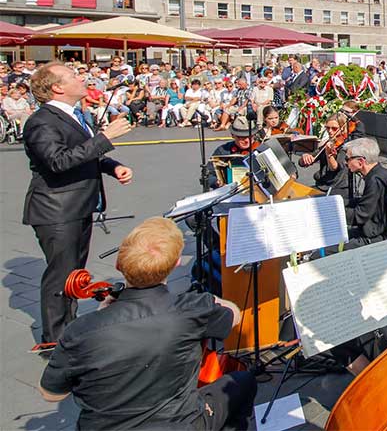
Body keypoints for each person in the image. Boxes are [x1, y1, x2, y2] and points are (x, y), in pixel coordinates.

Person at [39, 217, 256, 429]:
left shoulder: (79, 330)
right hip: (178, 424)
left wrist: (102, 312)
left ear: (118, 264)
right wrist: (211, 301)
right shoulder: (192, 310)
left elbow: (50, 394)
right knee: (242, 381)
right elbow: (234, 315)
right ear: (176, 263)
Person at [23, 62, 133, 349]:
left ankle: (68, 330)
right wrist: (105, 138)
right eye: (72, 76)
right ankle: (55, 342)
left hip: (78, 206)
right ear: (57, 87)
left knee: (74, 274)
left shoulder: (73, 115)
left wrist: (113, 166)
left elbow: (80, 155)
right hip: (57, 210)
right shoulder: (41, 121)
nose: (81, 78)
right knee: (60, 275)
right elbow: (58, 161)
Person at [343, 137, 387, 247]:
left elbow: (361, 215)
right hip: (379, 229)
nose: (345, 162)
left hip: (374, 236)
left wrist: (336, 213)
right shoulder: (385, 173)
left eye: (348, 159)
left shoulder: (375, 180)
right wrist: (341, 202)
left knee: (327, 249)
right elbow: (370, 202)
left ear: (361, 162)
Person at [204, 117, 255, 189]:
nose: (246, 140)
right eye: (241, 137)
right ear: (233, 135)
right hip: (230, 192)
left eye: (250, 136)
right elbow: (208, 174)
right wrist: (217, 182)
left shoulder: (260, 148)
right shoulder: (223, 151)